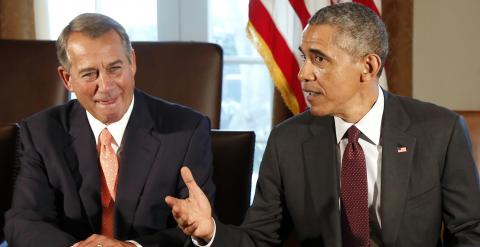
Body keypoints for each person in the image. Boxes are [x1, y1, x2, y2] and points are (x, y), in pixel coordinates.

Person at [165, 3, 480, 247]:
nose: (303, 74)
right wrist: (210, 232)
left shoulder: (440, 131)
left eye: (319, 59)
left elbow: (470, 234)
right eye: (304, 57)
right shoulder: (287, 141)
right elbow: (259, 240)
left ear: (368, 67)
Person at [4, 13, 215, 247]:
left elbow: (201, 228)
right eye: (89, 74)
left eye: (114, 68)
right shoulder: (40, 133)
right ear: (67, 79)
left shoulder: (187, 130)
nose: (105, 86)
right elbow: (24, 222)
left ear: (132, 62)